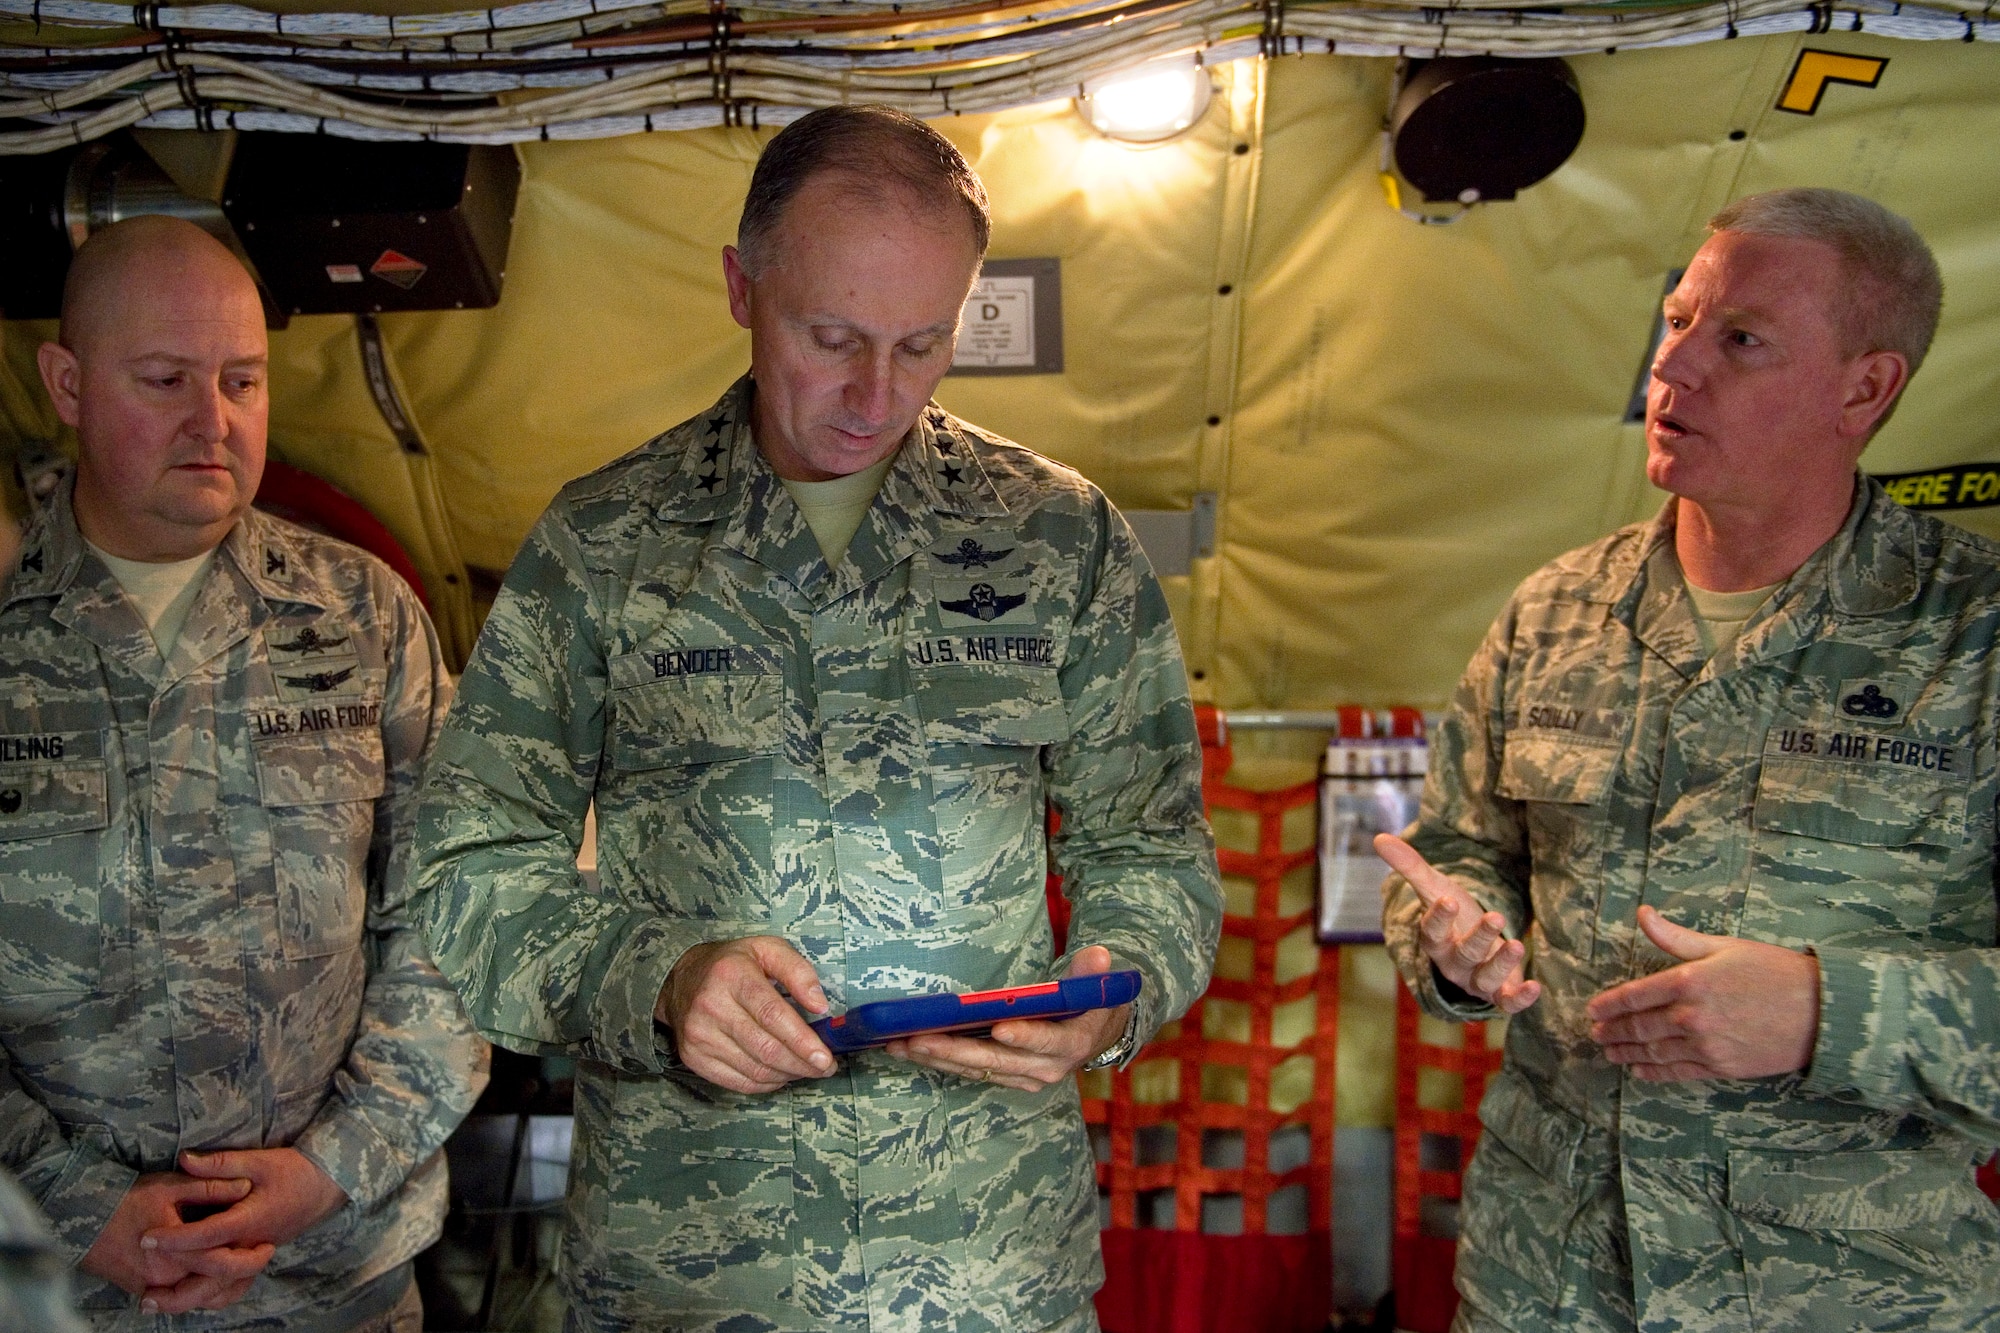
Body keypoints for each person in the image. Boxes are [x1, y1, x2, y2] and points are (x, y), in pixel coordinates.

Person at [411, 105, 1222, 1333]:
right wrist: (659, 980)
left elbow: (1152, 848)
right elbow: (471, 862)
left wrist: (1123, 985)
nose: (873, 392)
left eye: (922, 342)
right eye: (831, 336)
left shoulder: (1057, 540)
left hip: (985, 1261)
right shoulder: (607, 546)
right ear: (742, 287)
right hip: (693, 1263)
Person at [1381, 187, 2000, 1332]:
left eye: (1739, 340)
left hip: (1843, 1294)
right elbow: (1459, 851)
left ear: (1864, 388)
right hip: (1548, 1280)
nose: (1670, 371)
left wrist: (1826, 1012)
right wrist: (1453, 930)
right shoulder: (1555, 612)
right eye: (1674, 320)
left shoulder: (1971, 638)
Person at [2, 215, 487, 1329]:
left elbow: (462, 913)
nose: (211, 422)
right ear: (67, 384)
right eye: (166, 379)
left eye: (242, 380)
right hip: (49, 1282)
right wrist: (80, 1204)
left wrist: (333, 1165)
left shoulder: (363, 615)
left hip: (331, 1276)